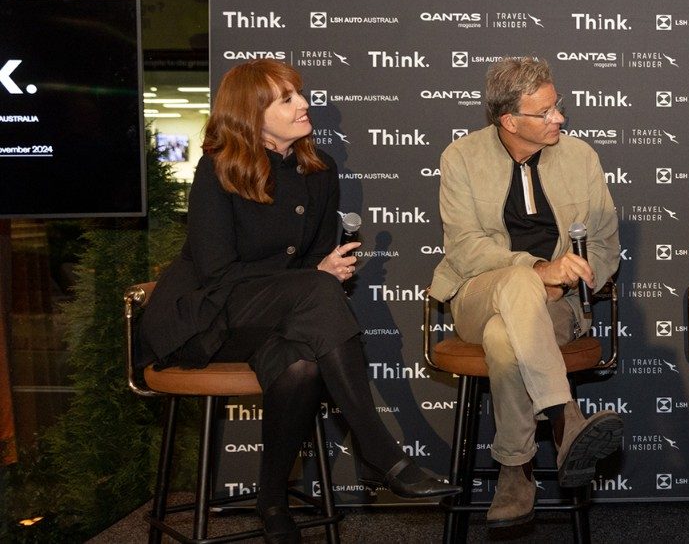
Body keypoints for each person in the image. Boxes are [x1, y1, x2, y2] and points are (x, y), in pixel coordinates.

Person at [138, 60, 458, 544]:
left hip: (277, 321)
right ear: (252, 113)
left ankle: (272, 503)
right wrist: (313, 277)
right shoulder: (218, 167)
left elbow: (310, 261)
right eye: (285, 99)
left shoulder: (320, 169)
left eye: (297, 94)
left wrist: (318, 273)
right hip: (206, 317)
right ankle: (377, 447)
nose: (303, 104)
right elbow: (216, 271)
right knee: (316, 289)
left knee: (302, 367)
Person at [430, 56, 623, 528]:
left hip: (561, 306)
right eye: (546, 112)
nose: (560, 117)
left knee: (503, 339)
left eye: (558, 106)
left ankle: (515, 470)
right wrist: (539, 270)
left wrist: (566, 280)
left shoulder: (581, 157)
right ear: (509, 120)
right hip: (479, 294)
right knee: (519, 283)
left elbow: (604, 247)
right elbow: (466, 249)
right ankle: (564, 418)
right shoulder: (461, 158)